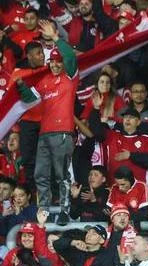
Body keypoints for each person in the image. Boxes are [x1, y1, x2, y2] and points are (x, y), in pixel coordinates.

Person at [26, 21, 78, 223]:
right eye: (52, 62)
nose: (56, 64)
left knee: (61, 175)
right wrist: (19, 87)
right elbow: (29, 98)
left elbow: (71, 56)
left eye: (58, 61)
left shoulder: (70, 77)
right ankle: (44, 209)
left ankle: (65, 210)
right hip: (44, 133)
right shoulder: (44, 81)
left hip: (63, 132)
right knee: (40, 174)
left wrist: (56, 37)